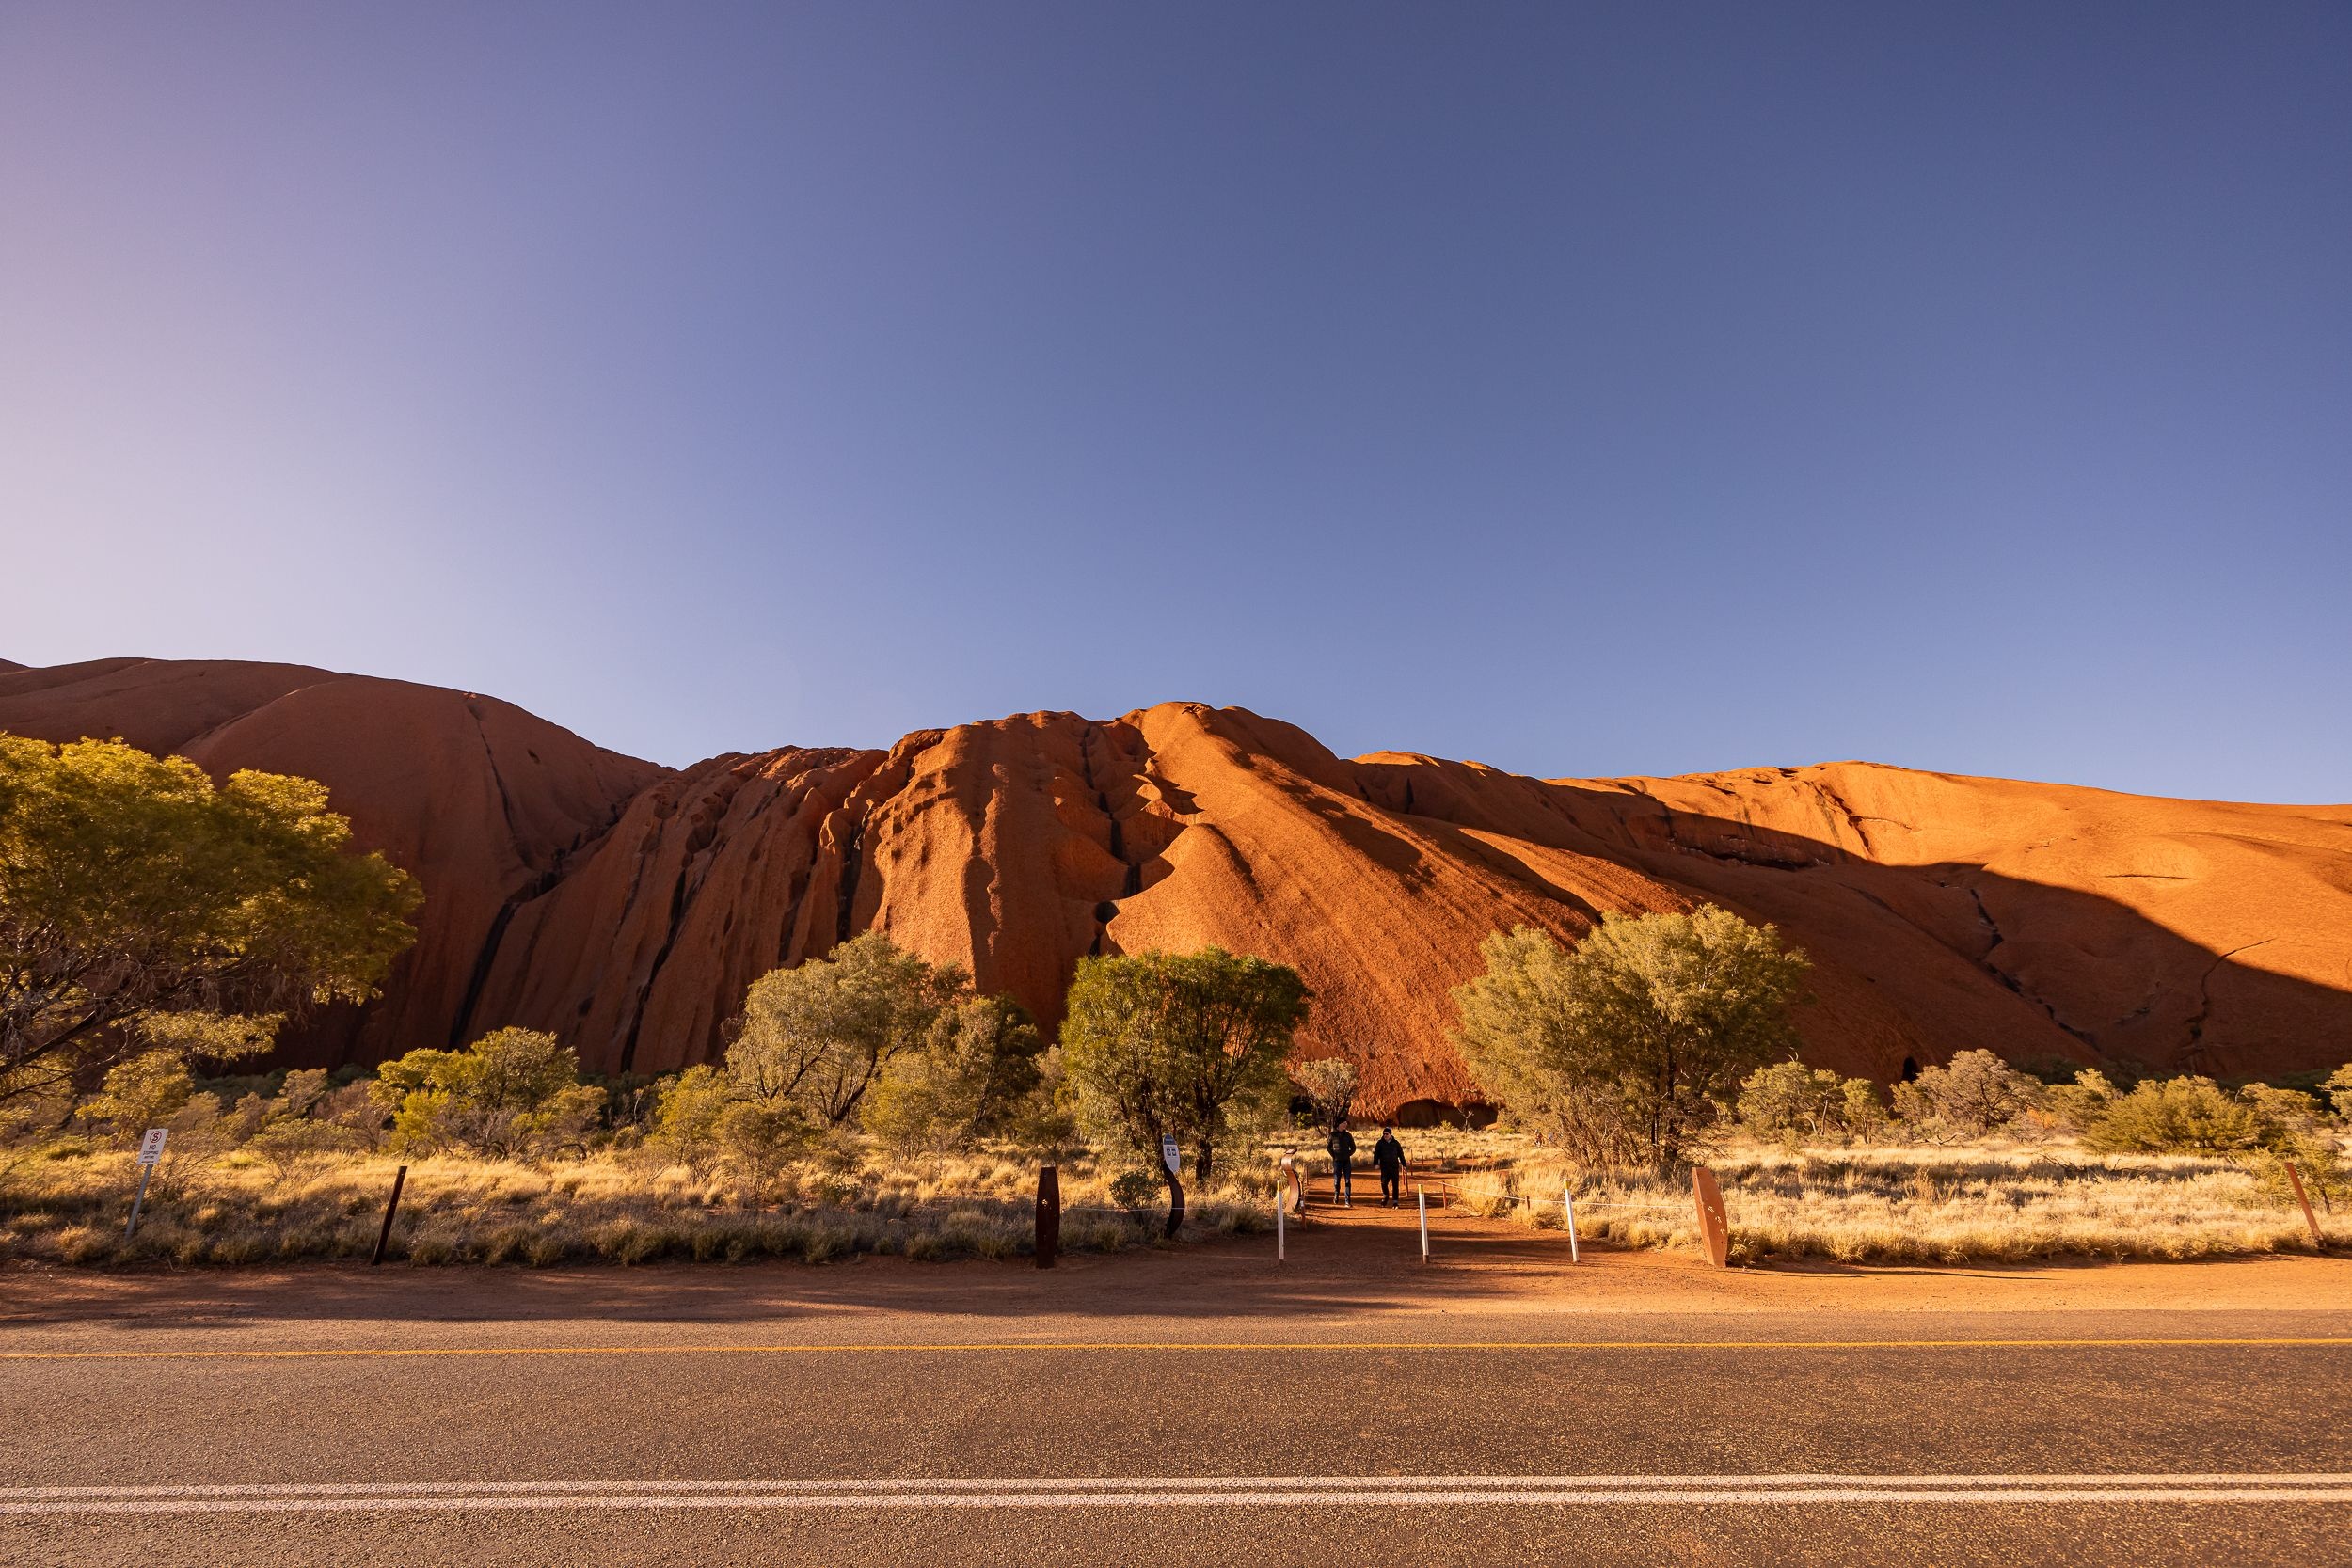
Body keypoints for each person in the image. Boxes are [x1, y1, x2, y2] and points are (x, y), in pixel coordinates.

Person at [1372, 1125, 1407, 1206]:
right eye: (1384, 1134)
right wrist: (1376, 1164)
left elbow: (1401, 1155)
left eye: (1386, 1134)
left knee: (1395, 1185)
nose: (1385, 1135)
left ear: (1390, 1134)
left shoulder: (1396, 1143)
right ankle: (1386, 1196)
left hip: (1394, 1167)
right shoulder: (1380, 1143)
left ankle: (1395, 1201)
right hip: (1384, 1167)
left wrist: (1404, 1165)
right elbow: (1376, 1154)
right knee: (1383, 1183)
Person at [1326, 1120, 1357, 1207]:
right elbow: (1328, 1147)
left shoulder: (1348, 1135)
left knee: (1347, 1180)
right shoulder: (1333, 1135)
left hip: (1346, 1161)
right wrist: (1334, 1156)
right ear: (1339, 1124)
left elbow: (1353, 1148)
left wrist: (1348, 1154)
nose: (1345, 1125)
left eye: (1346, 1123)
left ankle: (1347, 1201)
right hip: (1337, 1161)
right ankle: (1336, 1194)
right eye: (1344, 1123)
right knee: (1337, 1180)